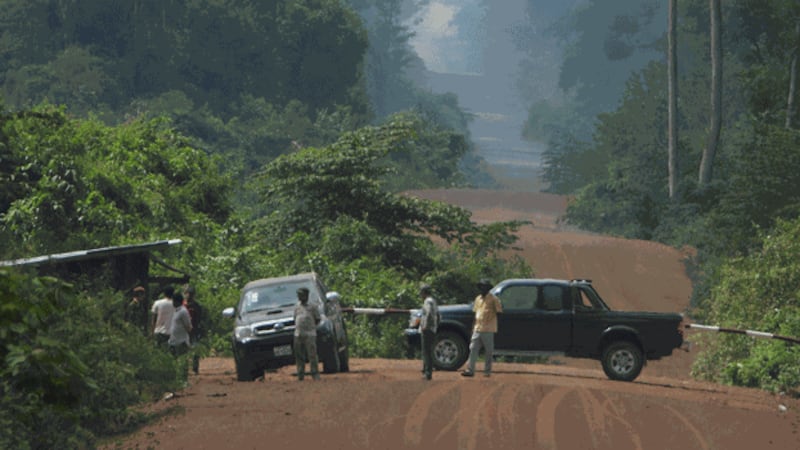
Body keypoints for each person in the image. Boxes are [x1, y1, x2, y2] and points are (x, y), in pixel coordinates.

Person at [462, 279, 503, 378]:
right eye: (481, 287)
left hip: (488, 329)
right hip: (477, 328)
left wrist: (493, 323)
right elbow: (475, 314)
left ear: (488, 288)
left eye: (484, 287)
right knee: (473, 349)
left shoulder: (494, 299)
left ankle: (487, 371)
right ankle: (470, 370)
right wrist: (473, 328)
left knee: (488, 351)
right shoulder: (478, 299)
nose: (482, 289)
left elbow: (499, 312)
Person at [293, 287, 321, 381]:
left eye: (301, 294)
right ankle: (300, 375)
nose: (299, 296)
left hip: (310, 334)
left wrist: (311, 328)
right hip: (298, 334)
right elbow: (295, 318)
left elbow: (317, 319)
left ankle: (315, 373)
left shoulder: (312, 306)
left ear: (306, 295)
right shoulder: (296, 306)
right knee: (299, 355)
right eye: (298, 295)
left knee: (312, 355)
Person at [168, 292, 192, 382]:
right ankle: (175, 379)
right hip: (173, 340)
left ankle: (183, 380)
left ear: (177, 301)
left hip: (182, 341)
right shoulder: (176, 311)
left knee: (183, 361)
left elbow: (188, 326)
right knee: (173, 361)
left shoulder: (183, 311)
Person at [418, 284, 440, 381]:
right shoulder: (433, 301)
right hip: (432, 328)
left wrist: (425, 326)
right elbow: (438, 315)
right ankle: (426, 370)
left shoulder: (428, 301)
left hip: (428, 329)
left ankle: (428, 373)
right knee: (428, 350)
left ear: (424, 292)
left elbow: (428, 314)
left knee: (426, 351)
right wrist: (436, 326)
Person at [183, 284, 204, 375]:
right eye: (187, 293)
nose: (189, 295)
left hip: (194, 330)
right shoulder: (181, 305)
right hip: (183, 331)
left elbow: (199, 319)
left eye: (191, 293)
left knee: (195, 349)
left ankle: (195, 368)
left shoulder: (197, 306)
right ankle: (184, 368)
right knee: (183, 350)